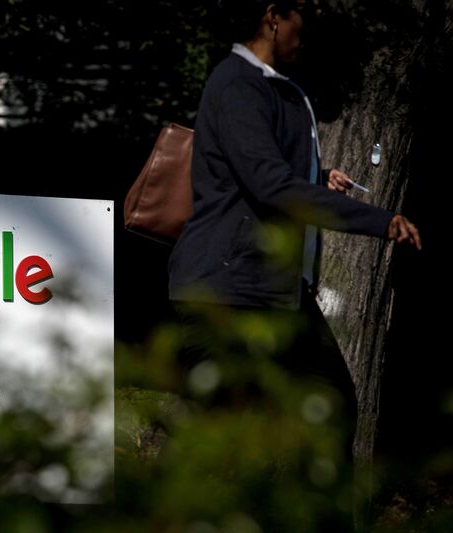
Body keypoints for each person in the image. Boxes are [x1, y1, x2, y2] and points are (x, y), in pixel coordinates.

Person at [167, 0, 422, 528]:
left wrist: (319, 174)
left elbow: (263, 170)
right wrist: (378, 220)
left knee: (330, 404)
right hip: (227, 291)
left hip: (273, 291)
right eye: (302, 12)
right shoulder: (238, 83)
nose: (310, 27)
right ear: (272, 15)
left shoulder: (277, 87)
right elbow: (267, 185)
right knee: (226, 452)